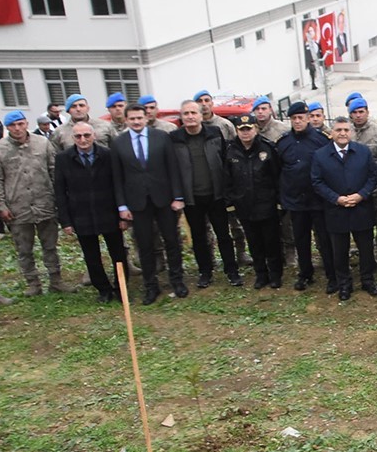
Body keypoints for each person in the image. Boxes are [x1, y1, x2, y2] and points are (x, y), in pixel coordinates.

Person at [112, 103, 188, 305]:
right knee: (144, 245)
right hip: (137, 203)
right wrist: (122, 206)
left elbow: (173, 168)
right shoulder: (118, 143)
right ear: (126, 120)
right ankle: (150, 286)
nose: (136, 122)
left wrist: (178, 197)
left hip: (164, 199)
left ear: (146, 118)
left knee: (171, 241)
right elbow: (117, 178)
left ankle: (177, 281)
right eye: (132, 119)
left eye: (139, 118)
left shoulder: (161, 137)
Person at [0, 111, 73, 296]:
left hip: (44, 202)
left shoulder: (43, 143)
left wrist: (59, 200)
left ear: (26, 124)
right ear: (7, 128)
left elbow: (55, 171)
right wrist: (1, 205)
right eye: (13, 125)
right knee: (24, 249)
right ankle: (33, 284)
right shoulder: (0, 149)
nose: (17, 129)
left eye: (20, 124)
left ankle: (56, 280)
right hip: (17, 207)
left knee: (50, 246)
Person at [55, 121, 127, 303]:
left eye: (87, 135)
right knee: (91, 256)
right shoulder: (63, 159)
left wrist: (122, 214)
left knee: (118, 253)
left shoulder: (108, 155)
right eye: (78, 136)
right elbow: (60, 191)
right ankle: (103, 289)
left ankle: (121, 288)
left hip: (109, 212)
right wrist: (66, 221)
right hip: (81, 215)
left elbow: (119, 185)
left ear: (94, 136)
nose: (83, 139)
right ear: (73, 138)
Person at [171, 100, 241, 288]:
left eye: (194, 113)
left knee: (223, 235)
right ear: (181, 117)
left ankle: (232, 271)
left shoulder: (214, 133)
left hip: (216, 195)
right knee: (199, 236)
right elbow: (173, 170)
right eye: (186, 113)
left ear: (201, 115)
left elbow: (225, 163)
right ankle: (205, 272)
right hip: (192, 198)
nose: (190, 117)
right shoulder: (175, 139)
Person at [310, 117, 377, 301]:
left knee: (366, 249)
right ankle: (344, 284)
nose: (342, 133)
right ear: (331, 133)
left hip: (361, 208)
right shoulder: (320, 155)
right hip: (336, 210)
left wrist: (361, 195)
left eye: (346, 130)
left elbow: (373, 177)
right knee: (339, 251)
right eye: (338, 130)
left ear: (351, 132)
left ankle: (368, 280)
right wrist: (337, 199)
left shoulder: (363, 152)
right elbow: (317, 182)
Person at [277, 101, 335, 292]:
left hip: (318, 199)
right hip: (296, 201)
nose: (298, 122)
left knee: (325, 239)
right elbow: (279, 171)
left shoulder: (321, 140)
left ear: (308, 118)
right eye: (294, 118)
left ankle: (331, 274)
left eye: (301, 118)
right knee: (301, 240)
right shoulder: (284, 142)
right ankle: (305, 274)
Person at [225, 113, 283, 289]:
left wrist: (279, 203)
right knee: (254, 243)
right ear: (236, 131)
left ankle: (275, 275)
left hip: (267, 205)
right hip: (245, 207)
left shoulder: (267, 148)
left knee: (271, 242)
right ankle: (261, 275)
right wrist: (231, 205)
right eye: (241, 130)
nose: (245, 133)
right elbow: (227, 180)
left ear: (255, 129)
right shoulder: (230, 151)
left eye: (249, 129)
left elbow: (277, 177)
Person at [348, 96, 377, 272]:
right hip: (356, 190)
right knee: (361, 226)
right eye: (355, 113)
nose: (358, 116)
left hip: (376, 189)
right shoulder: (347, 132)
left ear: (367, 112)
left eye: (361, 112)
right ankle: (365, 256)